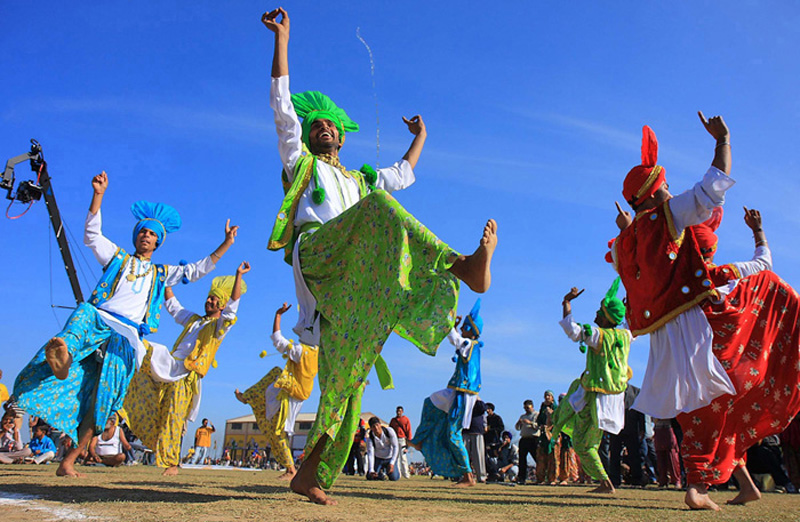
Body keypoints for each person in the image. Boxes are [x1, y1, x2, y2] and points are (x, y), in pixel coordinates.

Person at [262, 8, 498, 505]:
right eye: (316, 125)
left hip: (352, 284)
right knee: (381, 211)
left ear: (342, 137)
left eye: (331, 125)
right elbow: (282, 107)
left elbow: (402, 174)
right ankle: (461, 265)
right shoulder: (300, 164)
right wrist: (282, 39)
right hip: (321, 256)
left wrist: (421, 138)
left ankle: (310, 473)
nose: (323, 128)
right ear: (308, 136)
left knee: (348, 382)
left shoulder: (360, 179)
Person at [611, 113, 800, 509]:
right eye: (665, 187)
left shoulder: (636, 240)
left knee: (713, 408)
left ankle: (742, 485)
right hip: (693, 330)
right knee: (709, 404)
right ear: (657, 190)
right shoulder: (674, 223)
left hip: (665, 334)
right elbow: (712, 187)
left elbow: (621, 261)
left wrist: (627, 226)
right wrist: (723, 140)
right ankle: (697, 486)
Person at [12, 172, 236, 478]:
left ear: (158, 241)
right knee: (83, 313)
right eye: (142, 232)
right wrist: (99, 194)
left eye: (151, 234)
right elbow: (91, 235)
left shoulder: (160, 273)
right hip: (100, 319)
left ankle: (69, 462)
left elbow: (196, 271)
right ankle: (65, 352)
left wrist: (225, 244)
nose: (146, 236)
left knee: (103, 402)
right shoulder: (117, 258)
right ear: (136, 237)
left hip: (127, 336)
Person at [125, 262, 249, 475]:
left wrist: (238, 275)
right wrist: (165, 279)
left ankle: (172, 462)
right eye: (209, 297)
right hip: (167, 368)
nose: (209, 301)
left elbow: (232, 310)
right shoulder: (194, 320)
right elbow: (173, 307)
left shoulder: (218, 328)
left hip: (186, 375)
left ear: (222, 305)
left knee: (173, 417)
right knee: (139, 358)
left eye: (214, 299)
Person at [550, 280, 632, 494]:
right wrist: (630, 308)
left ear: (607, 317)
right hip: (612, 398)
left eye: (599, 311)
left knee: (583, 444)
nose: (595, 315)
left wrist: (567, 302)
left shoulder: (598, 335)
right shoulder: (626, 335)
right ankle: (604, 481)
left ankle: (606, 482)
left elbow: (573, 331)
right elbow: (633, 327)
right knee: (585, 442)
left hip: (595, 399)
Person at [235, 302, 319, 481]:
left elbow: (277, 339)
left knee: (278, 431)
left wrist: (278, 316)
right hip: (295, 393)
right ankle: (248, 397)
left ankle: (290, 469)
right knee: (275, 373)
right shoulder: (319, 352)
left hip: (290, 395)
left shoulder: (300, 351)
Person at [409, 300, 486, 488]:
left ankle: (468, 476)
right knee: (430, 402)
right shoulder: (470, 345)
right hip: (456, 390)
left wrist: (448, 321)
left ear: (471, 329)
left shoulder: (470, 344)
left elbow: (455, 339)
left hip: (463, 394)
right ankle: (419, 440)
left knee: (454, 434)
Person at [535, 390, 558, 484]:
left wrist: (550, 426)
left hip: (553, 434)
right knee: (541, 456)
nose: (547, 397)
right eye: (545, 395)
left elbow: (557, 419)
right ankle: (540, 478)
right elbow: (539, 419)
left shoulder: (555, 407)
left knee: (552, 456)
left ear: (552, 397)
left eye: (548, 395)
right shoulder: (543, 407)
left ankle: (552, 478)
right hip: (543, 434)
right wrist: (541, 425)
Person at [515, 399, 539, 485]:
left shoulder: (537, 415)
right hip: (524, 438)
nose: (526, 409)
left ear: (532, 406)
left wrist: (530, 423)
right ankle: (521, 477)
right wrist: (519, 423)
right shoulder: (522, 416)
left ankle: (541, 476)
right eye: (525, 408)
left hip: (533, 438)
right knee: (522, 459)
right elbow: (517, 428)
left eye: (528, 408)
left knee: (537, 457)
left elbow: (538, 426)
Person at [463, 399, 487, 483]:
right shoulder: (463, 401)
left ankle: (481, 476)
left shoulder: (478, 403)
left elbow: (483, 408)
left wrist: (477, 397)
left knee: (479, 455)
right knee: (463, 455)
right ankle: (463, 476)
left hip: (477, 431)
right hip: (465, 431)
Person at [654, 418, 682, 489]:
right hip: (658, 427)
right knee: (660, 455)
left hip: (670, 427)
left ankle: (676, 480)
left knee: (672, 456)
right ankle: (662, 480)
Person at [389, 406, 413, 479]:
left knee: (403, 458)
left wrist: (408, 444)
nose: (398, 412)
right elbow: (390, 430)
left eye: (400, 411)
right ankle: (398, 474)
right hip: (394, 439)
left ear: (402, 411)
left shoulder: (405, 419)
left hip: (402, 440)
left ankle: (406, 474)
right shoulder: (393, 420)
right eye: (397, 411)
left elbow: (409, 431)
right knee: (396, 457)